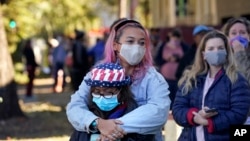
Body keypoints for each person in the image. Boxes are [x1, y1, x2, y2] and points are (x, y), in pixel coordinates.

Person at [66, 19, 171, 141]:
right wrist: (98, 123)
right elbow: (75, 106)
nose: (136, 47)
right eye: (130, 41)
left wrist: (110, 128)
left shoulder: (153, 78)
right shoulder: (96, 74)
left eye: (141, 43)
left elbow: (158, 112)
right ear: (115, 45)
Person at [172, 30, 250, 141]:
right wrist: (195, 116)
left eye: (220, 48)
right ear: (203, 54)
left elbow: (239, 114)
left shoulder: (237, 80)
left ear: (227, 52)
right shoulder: (191, 79)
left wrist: (209, 122)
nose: (216, 52)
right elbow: (177, 109)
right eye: (211, 49)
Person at [69, 62, 155, 141]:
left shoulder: (136, 116)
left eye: (108, 92)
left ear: (121, 91)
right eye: (97, 92)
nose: (102, 97)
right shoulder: (86, 116)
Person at [222, 17, 250, 124]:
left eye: (242, 32)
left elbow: (246, 82)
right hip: (228, 116)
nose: (238, 36)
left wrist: (239, 54)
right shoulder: (222, 59)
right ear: (228, 38)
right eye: (233, 33)